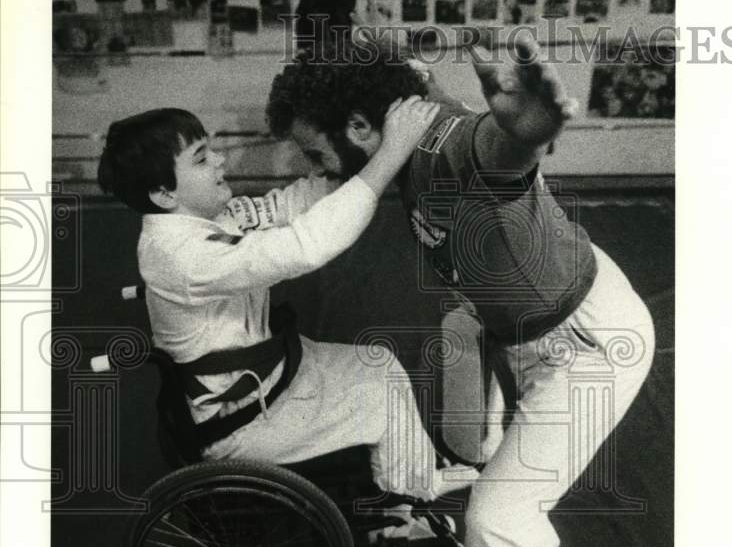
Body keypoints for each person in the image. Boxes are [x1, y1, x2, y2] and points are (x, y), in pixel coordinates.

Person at [266, 32, 656, 547]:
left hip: (589, 348)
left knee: (502, 522)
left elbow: (500, 150)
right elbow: (408, 88)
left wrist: (529, 129)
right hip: (518, 320)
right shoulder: (399, 117)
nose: (316, 172)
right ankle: (479, 458)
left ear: (359, 130)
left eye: (318, 155)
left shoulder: (446, 146)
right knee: (457, 328)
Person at [96, 105, 479, 503]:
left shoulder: (207, 220)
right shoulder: (180, 255)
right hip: (238, 424)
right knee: (378, 392)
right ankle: (410, 490)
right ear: (164, 193)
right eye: (201, 158)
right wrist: (389, 157)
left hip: (258, 380)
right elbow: (303, 246)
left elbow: (288, 206)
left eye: (212, 150)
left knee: (379, 365)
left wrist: (356, 156)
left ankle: (408, 482)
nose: (220, 160)